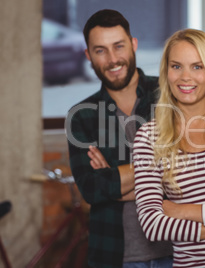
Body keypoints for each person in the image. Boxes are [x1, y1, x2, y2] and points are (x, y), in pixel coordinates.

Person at [66, 9, 173, 268]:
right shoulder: (81, 116)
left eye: (119, 46)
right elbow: (93, 189)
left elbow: (190, 170)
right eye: (101, 50)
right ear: (88, 55)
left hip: (178, 250)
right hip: (115, 256)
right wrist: (158, 169)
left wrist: (115, 181)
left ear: (133, 44)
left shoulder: (169, 96)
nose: (113, 59)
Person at [132, 29, 205, 267]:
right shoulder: (149, 137)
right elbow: (152, 225)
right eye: (176, 66)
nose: (186, 77)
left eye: (197, 67)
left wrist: (181, 210)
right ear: (166, 72)